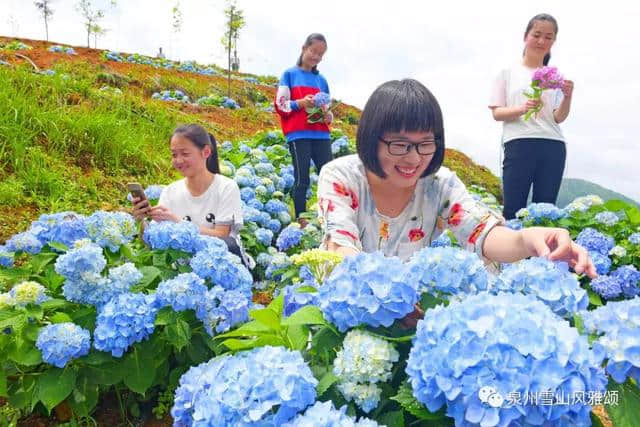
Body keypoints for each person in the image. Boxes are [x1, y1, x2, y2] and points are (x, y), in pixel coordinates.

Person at [317, 79, 595, 278]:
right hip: (348, 303)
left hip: (411, 311)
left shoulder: (439, 184)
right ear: (371, 139)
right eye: (399, 145)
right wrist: (385, 294)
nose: (414, 159)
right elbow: (340, 247)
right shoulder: (341, 176)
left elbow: (482, 233)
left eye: (425, 144)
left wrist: (528, 240)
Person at [489, 13, 574, 219]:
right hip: (519, 143)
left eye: (548, 37)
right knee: (513, 209)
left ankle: (538, 252)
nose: (542, 41)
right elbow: (497, 112)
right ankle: (510, 251)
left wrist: (567, 97)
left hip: (552, 144)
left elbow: (557, 118)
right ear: (526, 36)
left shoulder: (554, 76)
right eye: (537, 34)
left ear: (553, 41)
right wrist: (522, 108)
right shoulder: (507, 72)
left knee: (545, 212)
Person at [132, 124, 249, 264]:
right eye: (174, 155)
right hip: (183, 269)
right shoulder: (170, 192)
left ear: (205, 152)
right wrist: (141, 220)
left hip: (221, 264)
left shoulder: (226, 187)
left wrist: (178, 223)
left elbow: (223, 236)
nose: (178, 160)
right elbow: (154, 242)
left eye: (185, 154)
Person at [275, 33, 333, 223]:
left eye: (320, 54)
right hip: (298, 135)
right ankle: (301, 219)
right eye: (313, 51)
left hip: (321, 135)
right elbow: (280, 105)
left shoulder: (322, 80)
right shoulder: (289, 74)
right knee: (302, 179)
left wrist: (327, 115)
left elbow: (328, 112)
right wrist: (300, 103)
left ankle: (329, 216)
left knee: (328, 176)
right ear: (303, 48)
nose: (316, 57)